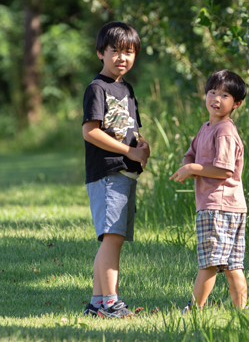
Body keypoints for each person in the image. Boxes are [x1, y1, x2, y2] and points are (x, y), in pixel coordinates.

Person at [82, 21, 150, 319]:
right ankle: (110, 302)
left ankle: (98, 302)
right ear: (100, 52)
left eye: (129, 52)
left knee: (113, 237)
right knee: (112, 237)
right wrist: (128, 151)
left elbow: (132, 127)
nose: (122, 57)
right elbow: (90, 131)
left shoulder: (126, 88)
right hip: (108, 172)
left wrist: (143, 147)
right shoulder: (97, 88)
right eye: (115, 51)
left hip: (125, 172)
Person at [170, 69, 248, 312]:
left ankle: (195, 309)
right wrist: (187, 165)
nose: (216, 98)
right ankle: (240, 311)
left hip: (218, 205)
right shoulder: (206, 128)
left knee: (210, 263)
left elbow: (224, 170)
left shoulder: (225, 131)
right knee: (232, 264)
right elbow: (190, 153)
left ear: (237, 103)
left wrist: (193, 168)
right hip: (229, 206)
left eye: (225, 95)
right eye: (212, 92)